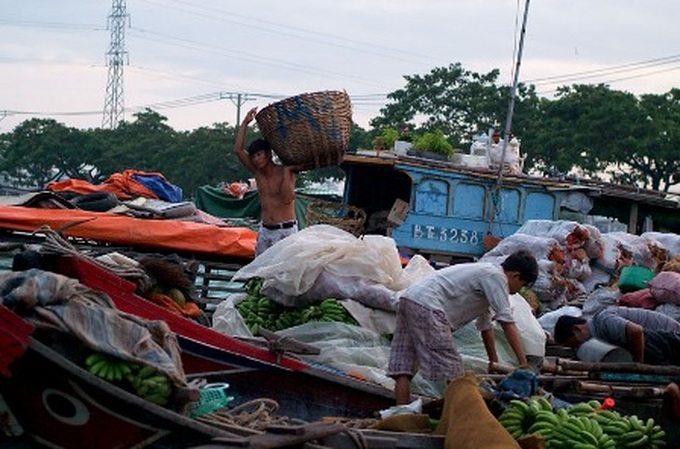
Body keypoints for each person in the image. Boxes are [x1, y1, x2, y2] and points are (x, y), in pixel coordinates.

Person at [386, 249, 539, 405]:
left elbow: (485, 327)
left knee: (404, 367)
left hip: (410, 299)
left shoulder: (485, 275)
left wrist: (494, 361)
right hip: (428, 305)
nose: (518, 291)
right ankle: (459, 414)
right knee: (454, 371)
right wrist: (524, 364)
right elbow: (507, 322)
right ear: (515, 276)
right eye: (522, 285)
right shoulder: (496, 277)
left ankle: (401, 412)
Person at [234, 107, 300, 256]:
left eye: (259, 154)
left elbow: (288, 198)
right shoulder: (258, 173)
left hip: (285, 231)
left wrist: (287, 171)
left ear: (268, 154)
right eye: (253, 157)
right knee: (259, 273)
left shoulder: (285, 170)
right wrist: (245, 123)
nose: (256, 159)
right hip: (266, 230)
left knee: (282, 274)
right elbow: (238, 150)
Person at [552, 306, 680, 365]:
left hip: (668, 337)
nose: (579, 347)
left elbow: (636, 332)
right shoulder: (596, 335)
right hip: (652, 342)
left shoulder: (602, 321)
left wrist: (638, 365)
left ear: (577, 329)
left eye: (576, 344)